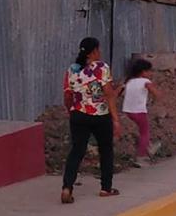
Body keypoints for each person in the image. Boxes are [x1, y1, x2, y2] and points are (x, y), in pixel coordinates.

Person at [61, 36, 121, 203]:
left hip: (78, 115)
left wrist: (70, 111)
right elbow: (109, 94)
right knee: (106, 150)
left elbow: (67, 95)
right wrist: (116, 119)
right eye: (98, 49)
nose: (100, 52)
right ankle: (105, 188)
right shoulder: (101, 67)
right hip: (100, 116)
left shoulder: (72, 69)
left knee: (76, 151)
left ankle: (67, 187)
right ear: (94, 51)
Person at [122, 58, 159, 165]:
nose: (151, 73)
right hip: (139, 111)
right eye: (149, 71)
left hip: (128, 111)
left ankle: (149, 147)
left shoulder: (129, 81)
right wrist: (157, 97)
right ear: (143, 72)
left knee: (142, 131)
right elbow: (156, 93)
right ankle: (141, 157)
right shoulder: (145, 81)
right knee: (144, 133)